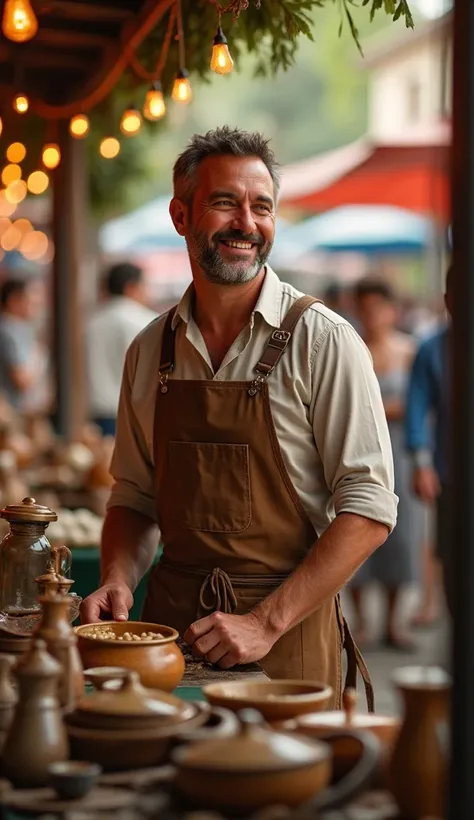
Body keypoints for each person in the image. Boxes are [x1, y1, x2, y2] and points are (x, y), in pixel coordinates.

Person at [81, 127, 397, 705]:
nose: (246, 224)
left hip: (286, 643)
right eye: (225, 202)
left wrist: (264, 623)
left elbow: (369, 508)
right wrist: (117, 578)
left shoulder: (322, 341)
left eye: (262, 207)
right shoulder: (150, 349)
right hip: (166, 642)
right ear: (181, 216)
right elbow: (133, 496)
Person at [348, 278, 423, 650]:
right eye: (365, 307)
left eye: (378, 307)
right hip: (358, 454)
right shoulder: (350, 348)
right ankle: (362, 623)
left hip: (400, 455)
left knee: (403, 539)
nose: (372, 315)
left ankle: (395, 622)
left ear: (392, 310)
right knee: (352, 531)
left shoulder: (409, 351)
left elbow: (420, 407)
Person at [405, 266, 452, 615]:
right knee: (448, 548)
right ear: (448, 299)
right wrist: (422, 464)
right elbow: (417, 409)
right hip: (449, 467)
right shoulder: (431, 349)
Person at [86, 262, 156, 436]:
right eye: (144, 286)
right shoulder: (148, 322)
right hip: (134, 412)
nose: (147, 293)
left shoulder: (92, 322)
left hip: (99, 412)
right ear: (131, 287)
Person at [0, 278, 44, 412]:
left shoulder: (19, 328)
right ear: (14, 300)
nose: (36, 305)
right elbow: (23, 380)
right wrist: (38, 353)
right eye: (30, 300)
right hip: (9, 412)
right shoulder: (7, 331)